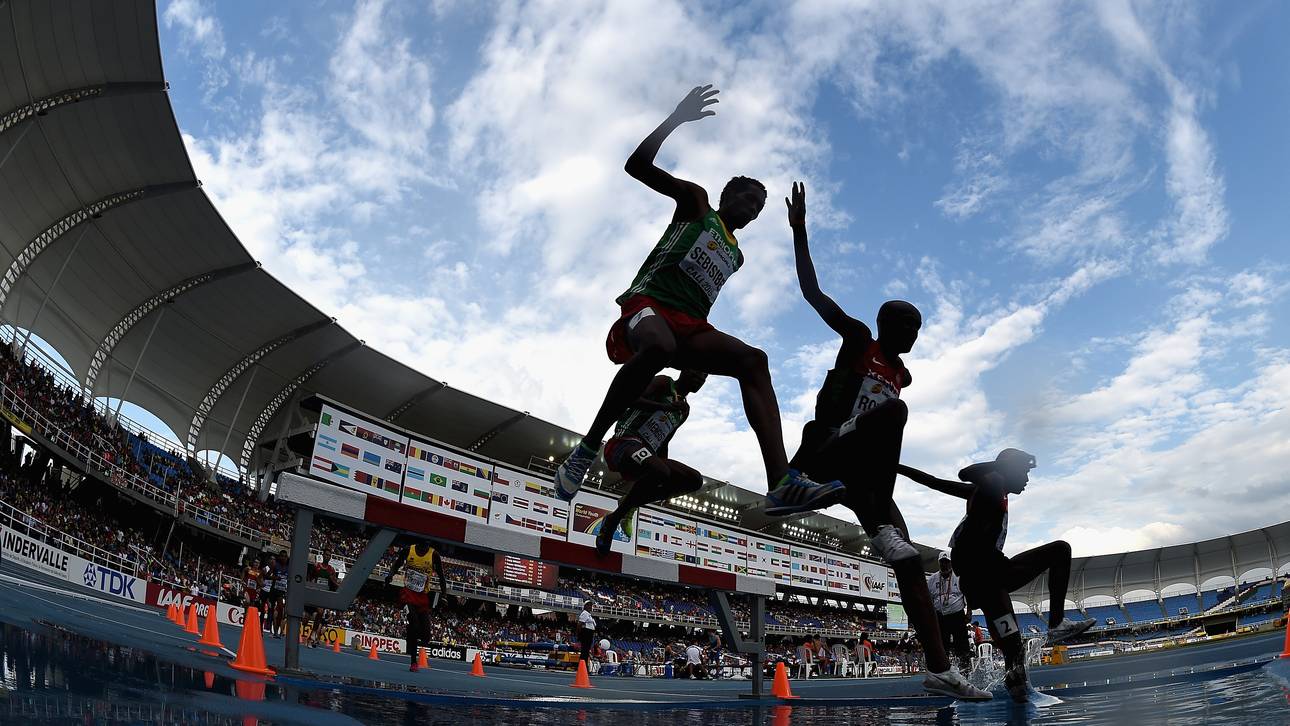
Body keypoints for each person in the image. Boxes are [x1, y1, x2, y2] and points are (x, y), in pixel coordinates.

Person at [553, 85, 843, 516]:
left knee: (754, 360)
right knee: (660, 347)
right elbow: (636, 166)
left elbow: (804, 284)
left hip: (689, 325)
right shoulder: (696, 203)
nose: (753, 207)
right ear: (728, 195)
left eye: (760, 206)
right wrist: (675, 118)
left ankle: (780, 481)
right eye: (747, 197)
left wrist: (799, 231)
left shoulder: (737, 255)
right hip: (647, 306)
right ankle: (588, 446)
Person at [783, 181, 989, 701]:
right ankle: (818, 480)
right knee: (895, 411)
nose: (913, 335)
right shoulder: (858, 342)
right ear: (884, 324)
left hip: (865, 476)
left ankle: (941, 668)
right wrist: (800, 233)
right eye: (906, 325)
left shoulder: (903, 375)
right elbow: (812, 294)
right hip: (828, 451)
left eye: (918, 328)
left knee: (908, 563)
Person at [898, 449, 1095, 702]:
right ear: (1009, 469)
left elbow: (935, 482)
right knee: (1014, 648)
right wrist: (1002, 466)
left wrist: (899, 469)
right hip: (984, 577)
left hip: (993, 572)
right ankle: (1050, 632)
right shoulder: (993, 483)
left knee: (1014, 649)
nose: (1027, 479)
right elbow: (964, 473)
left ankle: (1046, 640)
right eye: (1024, 471)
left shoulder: (990, 490)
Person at [596, 370, 708, 556]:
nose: (700, 379)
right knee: (660, 471)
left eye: (704, 378)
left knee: (694, 480)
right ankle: (616, 520)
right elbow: (630, 399)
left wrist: (666, 482)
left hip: (647, 458)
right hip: (623, 444)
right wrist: (665, 408)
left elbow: (664, 441)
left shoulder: (684, 409)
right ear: (685, 370)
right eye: (697, 373)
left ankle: (624, 507)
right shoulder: (664, 383)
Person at [385, 541, 449, 672]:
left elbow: (442, 577)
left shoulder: (434, 555)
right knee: (414, 624)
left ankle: (411, 634)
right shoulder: (408, 550)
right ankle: (413, 661)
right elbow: (397, 563)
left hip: (422, 597)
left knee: (426, 636)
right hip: (407, 594)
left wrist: (444, 595)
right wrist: (390, 575)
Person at [926, 551, 972, 670]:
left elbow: (968, 594)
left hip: (957, 615)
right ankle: (943, 670)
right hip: (940, 616)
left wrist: (969, 611)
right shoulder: (932, 579)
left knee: (962, 644)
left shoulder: (959, 576)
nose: (944, 565)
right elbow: (928, 599)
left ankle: (965, 670)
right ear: (939, 563)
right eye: (942, 562)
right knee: (942, 644)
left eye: (947, 562)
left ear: (951, 563)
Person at [305, 552, 340, 648]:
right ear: (323, 556)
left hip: (323, 594)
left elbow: (334, 582)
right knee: (306, 618)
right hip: (314, 592)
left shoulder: (331, 569)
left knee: (320, 612)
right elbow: (310, 578)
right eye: (326, 554)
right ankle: (309, 634)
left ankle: (313, 634)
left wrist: (337, 584)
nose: (327, 556)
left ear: (330, 557)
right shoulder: (317, 566)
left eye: (329, 555)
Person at [262, 554, 289, 638]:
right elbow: (266, 576)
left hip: (281, 592)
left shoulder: (289, 568)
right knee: (271, 610)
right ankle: (271, 629)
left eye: (285, 557)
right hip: (273, 590)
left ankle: (276, 630)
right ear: (280, 557)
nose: (283, 558)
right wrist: (275, 578)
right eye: (282, 556)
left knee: (281, 610)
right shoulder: (275, 566)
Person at [577, 600, 597, 665]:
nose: (590, 607)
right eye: (588, 605)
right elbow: (580, 624)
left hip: (589, 633)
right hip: (586, 632)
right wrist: (580, 634)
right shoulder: (585, 613)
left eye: (591, 605)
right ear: (585, 606)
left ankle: (584, 665)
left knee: (586, 650)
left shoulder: (589, 614)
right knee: (585, 650)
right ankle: (582, 665)